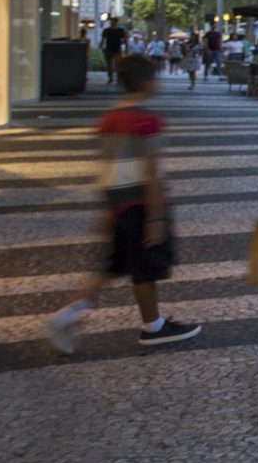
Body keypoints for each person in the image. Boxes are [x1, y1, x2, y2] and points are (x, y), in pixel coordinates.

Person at [45, 54, 202, 353]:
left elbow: (107, 168)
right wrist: (156, 218)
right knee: (143, 269)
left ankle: (75, 317)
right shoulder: (147, 121)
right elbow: (152, 172)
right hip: (142, 204)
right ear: (146, 83)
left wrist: (108, 208)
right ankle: (149, 327)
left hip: (119, 204)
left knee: (114, 268)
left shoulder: (108, 120)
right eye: (155, 77)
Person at [99, 18, 127, 88]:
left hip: (117, 49)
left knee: (118, 65)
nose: (113, 23)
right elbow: (103, 40)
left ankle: (118, 79)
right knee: (109, 65)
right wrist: (102, 48)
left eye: (114, 21)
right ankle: (110, 78)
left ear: (116, 22)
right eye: (112, 21)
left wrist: (126, 48)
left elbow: (125, 39)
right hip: (108, 49)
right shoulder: (106, 30)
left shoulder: (120, 30)